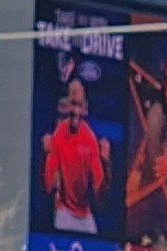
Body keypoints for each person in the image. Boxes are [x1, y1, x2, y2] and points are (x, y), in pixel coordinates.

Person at [40, 72, 113, 236]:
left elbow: (101, 198)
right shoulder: (59, 135)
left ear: (85, 109)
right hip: (64, 212)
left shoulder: (90, 139)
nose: (76, 111)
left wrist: (107, 163)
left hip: (85, 215)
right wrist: (47, 155)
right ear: (66, 106)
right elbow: (49, 187)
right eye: (73, 104)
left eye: (80, 105)